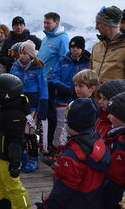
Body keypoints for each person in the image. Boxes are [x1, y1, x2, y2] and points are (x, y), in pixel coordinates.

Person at [40, 98, 110, 209]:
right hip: (94, 201)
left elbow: (63, 190)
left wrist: (47, 205)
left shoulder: (71, 155)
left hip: (75, 203)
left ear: (70, 122)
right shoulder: (99, 142)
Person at [0, 73, 31, 209]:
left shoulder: (15, 113)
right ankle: (2, 204)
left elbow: (16, 140)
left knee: (13, 186)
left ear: (5, 93)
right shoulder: (2, 105)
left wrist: (15, 162)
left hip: (8, 157)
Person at [10, 40, 48, 173]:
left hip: (32, 106)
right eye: (21, 53)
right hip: (18, 104)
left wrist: (43, 107)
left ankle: (34, 157)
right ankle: (22, 155)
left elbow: (44, 88)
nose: (22, 56)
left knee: (29, 132)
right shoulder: (15, 66)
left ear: (31, 55)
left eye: (25, 53)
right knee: (19, 131)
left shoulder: (38, 68)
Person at [38, 12, 70, 153]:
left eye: (48, 23)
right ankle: (44, 142)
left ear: (56, 23)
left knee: (51, 113)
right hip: (42, 80)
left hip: (51, 82)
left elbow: (64, 61)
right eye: (44, 22)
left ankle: (51, 143)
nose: (45, 25)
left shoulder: (62, 39)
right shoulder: (46, 38)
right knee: (43, 112)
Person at [51, 36, 90, 148]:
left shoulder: (88, 61)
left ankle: (77, 148)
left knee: (77, 125)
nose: (75, 49)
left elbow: (91, 78)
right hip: (63, 97)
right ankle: (57, 148)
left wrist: (79, 90)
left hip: (81, 99)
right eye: (72, 47)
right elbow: (55, 77)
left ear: (82, 48)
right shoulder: (62, 60)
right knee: (60, 124)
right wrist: (65, 89)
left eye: (77, 47)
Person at [90, 6, 125, 92]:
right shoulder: (96, 47)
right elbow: (90, 76)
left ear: (108, 24)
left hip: (117, 103)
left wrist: (121, 100)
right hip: (95, 102)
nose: (96, 27)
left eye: (98, 23)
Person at [103, 91, 125, 209]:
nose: (108, 116)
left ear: (123, 116)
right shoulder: (117, 136)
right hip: (111, 186)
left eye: (112, 114)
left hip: (119, 191)